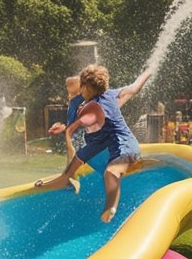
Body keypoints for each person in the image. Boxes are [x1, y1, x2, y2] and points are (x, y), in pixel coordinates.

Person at [38, 66, 152, 223]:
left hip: (126, 148)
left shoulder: (90, 105)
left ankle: (111, 207)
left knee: (111, 172)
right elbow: (134, 88)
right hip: (117, 146)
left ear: (84, 87)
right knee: (84, 158)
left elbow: (89, 119)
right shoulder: (110, 95)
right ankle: (67, 182)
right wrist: (146, 73)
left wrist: (70, 127)